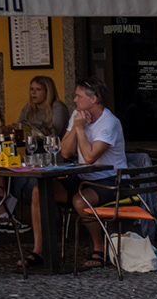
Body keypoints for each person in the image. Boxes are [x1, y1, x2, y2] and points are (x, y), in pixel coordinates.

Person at [22, 77, 126, 269]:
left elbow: (89, 158)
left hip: (112, 180)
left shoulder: (109, 123)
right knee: (40, 192)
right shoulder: (77, 116)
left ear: (93, 99)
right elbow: (66, 152)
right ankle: (39, 250)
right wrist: (76, 126)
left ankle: (99, 247)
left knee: (80, 200)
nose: (75, 100)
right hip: (84, 178)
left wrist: (79, 128)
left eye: (78, 96)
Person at [17, 75, 68, 140]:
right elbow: (20, 126)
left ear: (48, 92)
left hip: (53, 147)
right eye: (31, 89)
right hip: (32, 145)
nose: (33, 93)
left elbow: (54, 133)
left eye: (38, 89)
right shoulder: (28, 107)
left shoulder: (58, 107)